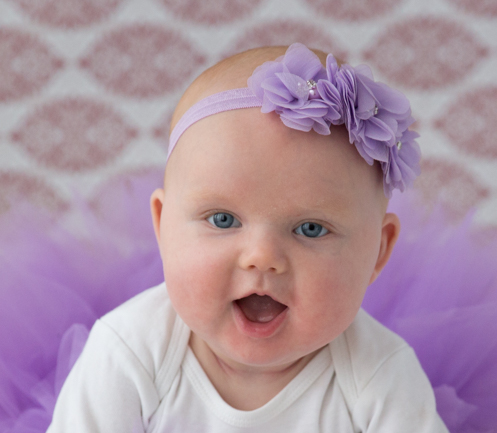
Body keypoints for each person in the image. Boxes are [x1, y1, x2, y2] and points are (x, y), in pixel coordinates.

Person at [46, 43, 448, 432]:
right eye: (223, 219)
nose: (262, 257)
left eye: (310, 228)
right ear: (163, 224)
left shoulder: (379, 376)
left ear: (378, 251)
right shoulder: (129, 353)